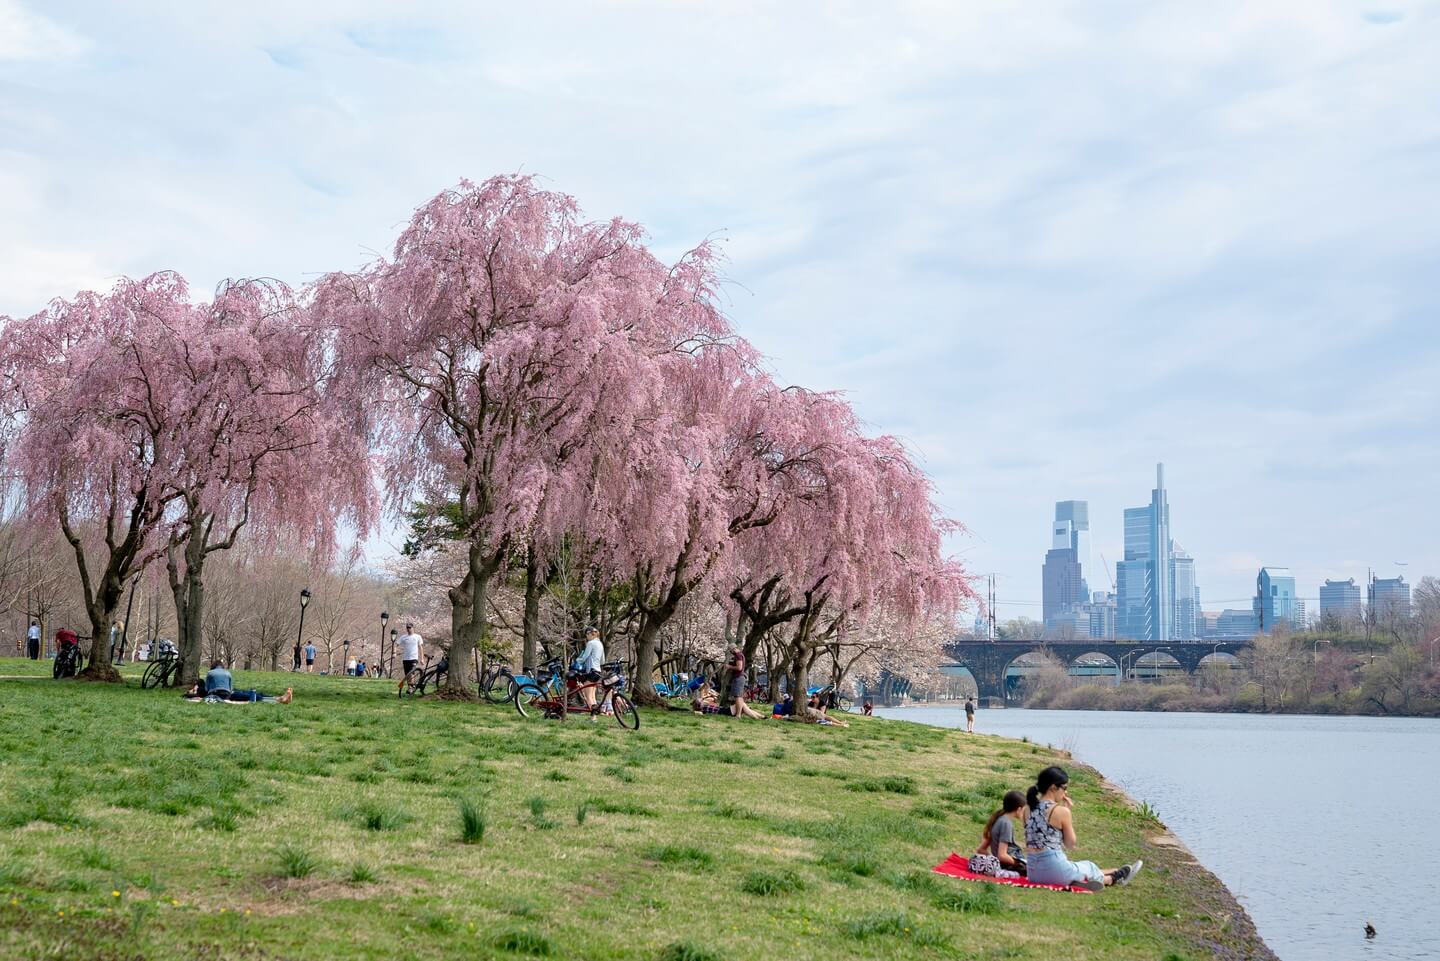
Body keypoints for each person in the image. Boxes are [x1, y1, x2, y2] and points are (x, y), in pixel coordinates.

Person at [1024, 766, 1141, 891]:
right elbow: (1070, 844)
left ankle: (1092, 877)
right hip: (1055, 871)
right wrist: (1068, 813)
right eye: (1065, 788)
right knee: (1089, 866)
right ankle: (1113, 878)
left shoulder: (1027, 809)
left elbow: (1039, 838)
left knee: (1079, 866)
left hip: (1033, 873)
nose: (1066, 793)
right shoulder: (1060, 811)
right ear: (1053, 787)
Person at [184, 659, 293, 703]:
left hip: (218, 694)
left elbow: (207, 689)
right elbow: (230, 688)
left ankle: (278, 699)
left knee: (248, 695)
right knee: (249, 694)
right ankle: (276, 698)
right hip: (227, 693)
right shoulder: (228, 673)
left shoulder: (209, 674)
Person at [978, 790, 1028, 876]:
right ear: (1019, 809)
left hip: (1003, 863)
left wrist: (993, 859)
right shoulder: (1006, 824)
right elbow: (1002, 855)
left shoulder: (997, 818)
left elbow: (981, 849)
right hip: (1007, 865)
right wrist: (1018, 863)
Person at [726, 646, 763, 719]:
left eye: (730, 651)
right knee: (739, 697)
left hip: (738, 677)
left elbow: (739, 668)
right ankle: (758, 716)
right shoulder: (740, 655)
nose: (731, 652)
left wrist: (729, 666)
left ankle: (738, 715)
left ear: (733, 649)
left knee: (738, 696)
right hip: (739, 677)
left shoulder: (738, 655)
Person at [575, 626, 605, 715]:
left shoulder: (591, 643)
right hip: (598, 671)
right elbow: (602, 660)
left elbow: (584, 657)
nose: (586, 637)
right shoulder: (600, 644)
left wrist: (577, 661)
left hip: (591, 670)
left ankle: (592, 712)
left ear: (589, 634)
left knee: (587, 694)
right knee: (592, 694)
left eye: (586, 635)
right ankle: (596, 711)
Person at [396, 624, 424, 694]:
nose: (408, 629)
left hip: (414, 658)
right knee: (407, 674)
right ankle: (410, 687)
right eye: (407, 628)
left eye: (410, 628)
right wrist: (394, 652)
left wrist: (422, 658)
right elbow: (396, 644)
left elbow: (420, 648)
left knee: (412, 672)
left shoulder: (417, 636)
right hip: (405, 658)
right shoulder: (403, 637)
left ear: (413, 628)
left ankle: (411, 687)